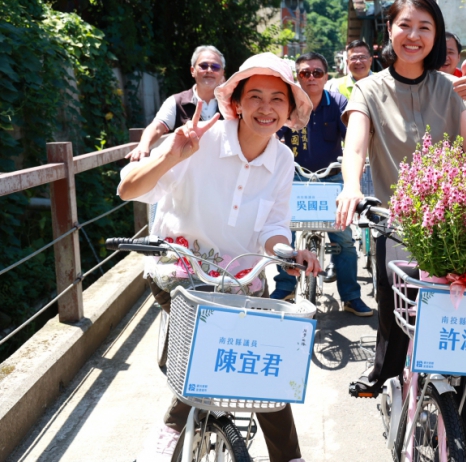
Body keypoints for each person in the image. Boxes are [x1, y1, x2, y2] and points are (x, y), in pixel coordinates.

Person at [119, 52, 320, 462]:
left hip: (241, 277)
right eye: (255, 96)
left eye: (277, 99)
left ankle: (289, 457)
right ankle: (168, 433)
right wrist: (171, 155)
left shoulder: (283, 159)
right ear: (237, 103)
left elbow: (273, 227)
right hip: (180, 267)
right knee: (207, 339)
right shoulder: (200, 139)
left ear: (289, 110)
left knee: (264, 354)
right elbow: (128, 190)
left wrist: (287, 252)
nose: (266, 107)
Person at [334, 0, 466, 462]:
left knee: (455, 335)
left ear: (436, 35)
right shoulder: (368, 89)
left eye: (425, 27)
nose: (414, 35)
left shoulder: (454, 87)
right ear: (390, 31)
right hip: (395, 220)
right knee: (395, 303)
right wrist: (350, 186)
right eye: (405, 25)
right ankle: (386, 372)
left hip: (452, 226)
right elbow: (355, 146)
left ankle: (461, 445)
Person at [271, 51, 373, 317]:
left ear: (326, 76)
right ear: (298, 77)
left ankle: (351, 296)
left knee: (344, 239)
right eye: (305, 73)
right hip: (295, 178)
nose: (311, 77)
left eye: (317, 72)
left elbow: (353, 138)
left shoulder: (338, 102)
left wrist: (356, 163)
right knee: (285, 234)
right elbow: (275, 135)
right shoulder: (289, 104)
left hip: (332, 178)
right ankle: (284, 287)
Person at [127, 45, 226, 161]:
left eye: (215, 67)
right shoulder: (176, 101)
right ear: (192, 71)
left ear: (222, 73)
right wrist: (143, 145)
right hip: (185, 170)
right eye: (203, 66)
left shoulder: (232, 103)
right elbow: (157, 127)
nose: (209, 70)